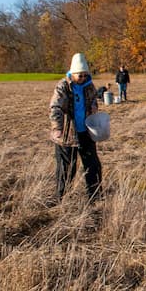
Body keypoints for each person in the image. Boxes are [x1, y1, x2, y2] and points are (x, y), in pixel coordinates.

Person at [49, 53, 102, 201]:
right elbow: (55, 108)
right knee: (66, 169)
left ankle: (95, 197)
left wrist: (93, 107)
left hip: (86, 132)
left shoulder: (89, 85)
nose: (83, 78)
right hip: (67, 134)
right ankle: (61, 198)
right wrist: (57, 128)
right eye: (80, 76)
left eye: (85, 75)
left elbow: (94, 100)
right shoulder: (63, 86)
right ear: (72, 74)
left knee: (93, 166)